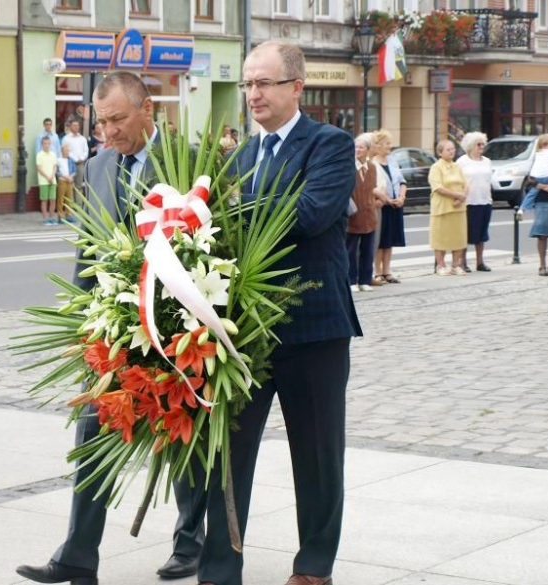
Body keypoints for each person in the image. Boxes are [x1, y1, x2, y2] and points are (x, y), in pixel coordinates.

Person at [16, 71, 206, 585]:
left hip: (175, 327)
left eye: (119, 119)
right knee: (93, 432)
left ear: (149, 110)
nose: (109, 132)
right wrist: (82, 324)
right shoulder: (97, 165)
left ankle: (192, 544)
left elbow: (215, 239)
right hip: (111, 328)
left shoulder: (189, 161)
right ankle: (78, 557)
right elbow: (88, 249)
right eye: (101, 121)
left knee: (180, 436)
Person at [198, 41, 359, 585]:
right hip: (246, 335)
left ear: (296, 87)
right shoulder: (239, 156)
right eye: (247, 84)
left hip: (314, 327)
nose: (252, 95)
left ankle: (314, 567)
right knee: (228, 456)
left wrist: (233, 209)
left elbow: (311, 214)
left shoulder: (330, 145)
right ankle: (219, 569)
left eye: (263, 83)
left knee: (316, 457)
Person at [348, 134, 385, 292]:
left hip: (369, 215)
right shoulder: (348, 166)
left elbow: (372, 188)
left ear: (368, 150)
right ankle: (351, 281)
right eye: (356, 147)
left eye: (361, 147)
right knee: (350, 251)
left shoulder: (372, 167)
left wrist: (377, 200)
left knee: (368, 250)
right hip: (353, 216)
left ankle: (364, 280)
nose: (358, 150)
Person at [370, 129, 406, 284]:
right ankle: (377, 271)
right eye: (387, 143)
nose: (389, 146)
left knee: (390, 240)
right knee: (380, 240)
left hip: (395, 205)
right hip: (382, 205)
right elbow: (373, 186)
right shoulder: (373, 162)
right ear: (378, 145)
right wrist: (386, 199)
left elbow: (402, 181)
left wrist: (402, 197)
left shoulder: (392, 160)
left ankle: (387, 271)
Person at [428, 139, 468, 276]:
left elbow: (465, 184)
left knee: (459, 236)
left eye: (453, 149)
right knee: (441, 236)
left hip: (458, 207)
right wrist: (456, 195)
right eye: (448, 150)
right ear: (440, 152)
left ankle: (456, 264)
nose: (452, 152)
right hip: (442, 207)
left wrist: (462, 197)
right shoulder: (436, 167)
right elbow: (438, 187)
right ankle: (441, 264)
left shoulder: (457, 166)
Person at [457, 132, 493, 272]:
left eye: (483, 143)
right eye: (479, 144)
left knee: (482, 233)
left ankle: (480, 262)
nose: (481, 146)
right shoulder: (462, 161)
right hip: (468, 202)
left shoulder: (487, 161)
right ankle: (462, 262)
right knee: (465, 233)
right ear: (471, 146)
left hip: (484, 200)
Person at [525, 135, 548, 276]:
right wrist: (542, 186)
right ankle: (542, 265)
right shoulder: (539, 159)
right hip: (542, 199)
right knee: (542, 235)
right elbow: (529, 180)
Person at [517, 134, 548, 221]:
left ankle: (521, 209)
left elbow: (531, 177)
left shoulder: (537, 154)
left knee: (531, 194)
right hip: (546, 187)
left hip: (538, 180)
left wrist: (543, 186)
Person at [62, 119, 89, 202]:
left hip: (81, 164)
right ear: (70, 127)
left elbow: (86, 150)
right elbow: (65, 150)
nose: (76, 127)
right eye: (74, 125)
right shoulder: (66, 138)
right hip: (70, 163)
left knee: (79, 185)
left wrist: (82, 158)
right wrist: (75, 159)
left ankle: (79, 205)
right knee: (70, 185)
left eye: (77, 125)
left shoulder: (82, 139)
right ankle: (71, 205)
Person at [36, 136, 58, 225]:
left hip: (52, 180)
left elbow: (55, 167)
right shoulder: (39, 155)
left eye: (48, 143)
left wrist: (52, 176)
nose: (46, 145)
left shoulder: (53, 154)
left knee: (53, 199)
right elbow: (39, 168)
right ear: (42, 144)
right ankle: (45, 218)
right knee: (44, 200)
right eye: (45, 143)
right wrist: (47, 176)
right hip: (43, 181)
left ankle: (52, 217)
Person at [56, 143, 76, 223]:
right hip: (62, 181)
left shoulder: (71, 160)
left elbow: (74, 171)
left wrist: (71, 177)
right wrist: (65, 177)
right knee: (61, 199)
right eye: (66, 150)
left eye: (68, 150)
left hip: (70, 181)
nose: (67, 152)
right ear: (62, 151)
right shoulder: (59, 160)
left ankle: (69, 215)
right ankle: (60, 216)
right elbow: (57, 172)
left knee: (69, 199)